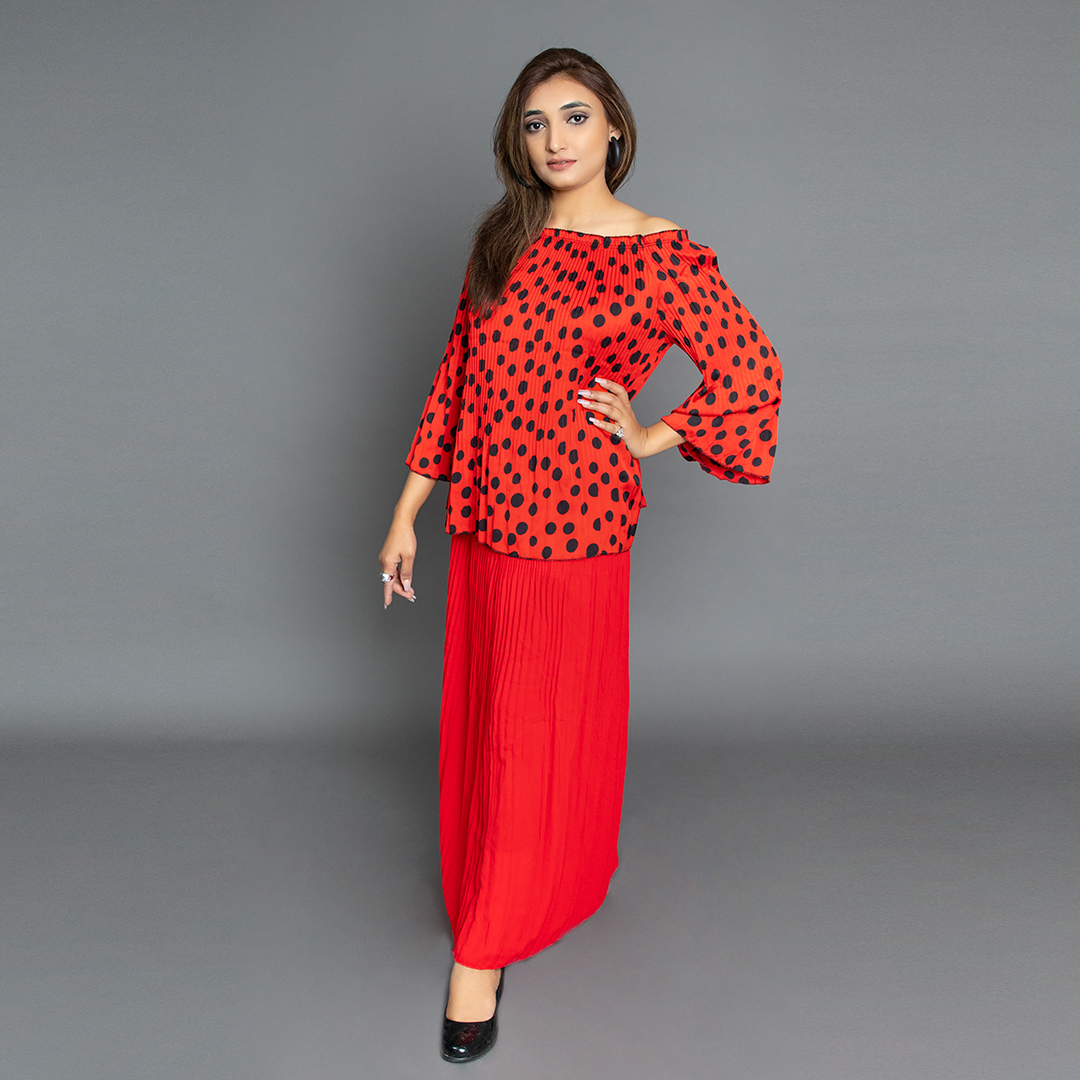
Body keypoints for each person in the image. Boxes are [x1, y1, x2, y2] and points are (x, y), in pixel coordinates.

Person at [378, 47, 782, 1063]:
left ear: (615, 129)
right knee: (495, 718)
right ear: (518, 142)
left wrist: (652, 435)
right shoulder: (504, 239)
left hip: (574, 525)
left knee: (534, 724)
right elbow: (455, 378)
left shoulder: (662, 252)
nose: (554, 140)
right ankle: (513, 886)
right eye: (534, 123)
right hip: (484, 516)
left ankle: (484, 952)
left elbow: (750, 371)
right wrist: (407, 510)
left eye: (573, 117)